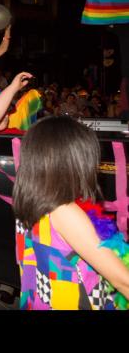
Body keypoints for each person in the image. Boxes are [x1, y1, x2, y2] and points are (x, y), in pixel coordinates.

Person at [13, 116, 129, 309]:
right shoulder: (65, 212)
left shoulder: (32, 199)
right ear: (77, 160)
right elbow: (123, 281)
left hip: (44, 300)